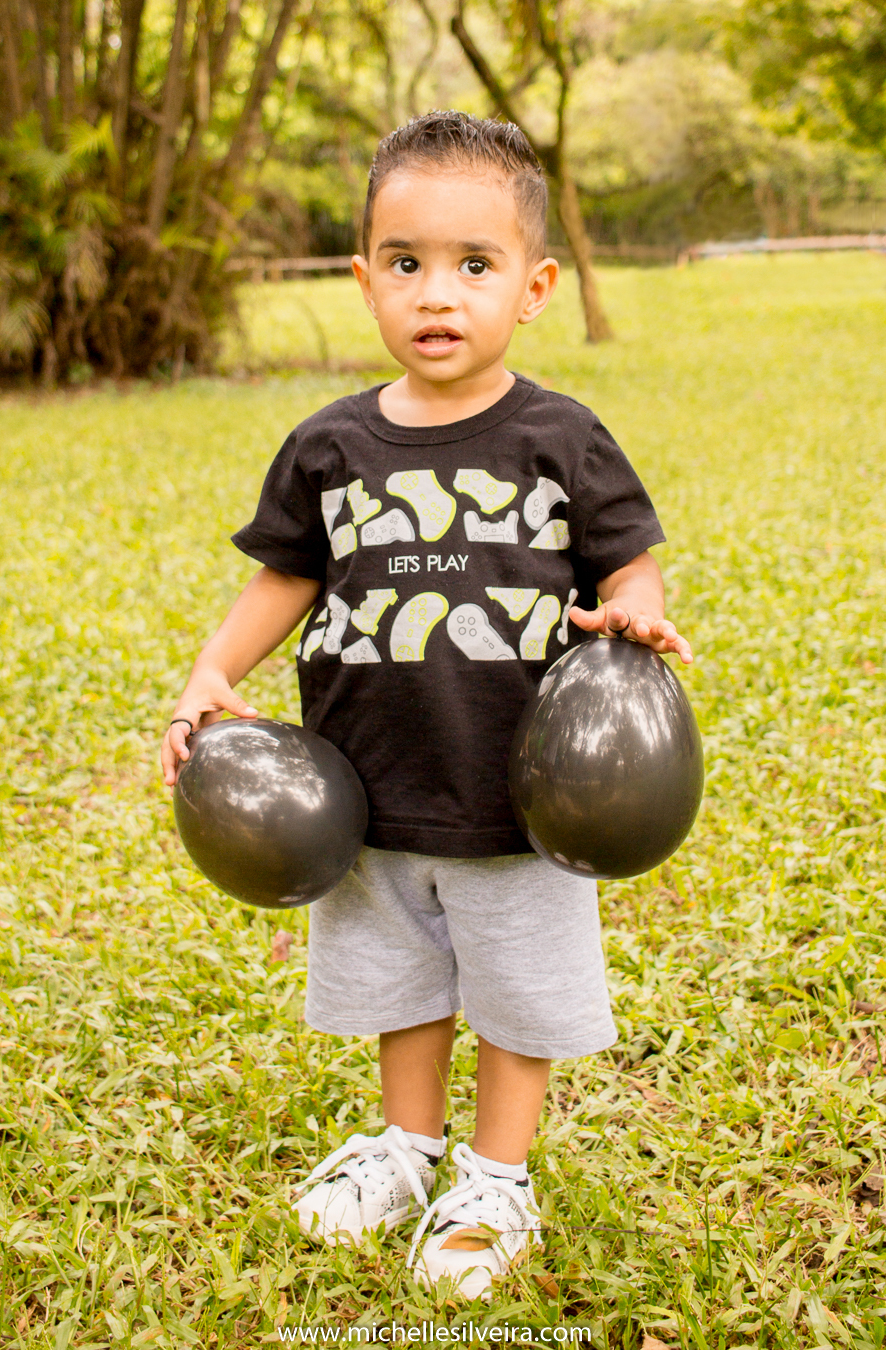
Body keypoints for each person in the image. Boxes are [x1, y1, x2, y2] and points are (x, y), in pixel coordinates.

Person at [161, 110, 692, 1301]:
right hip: (371, 787)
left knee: (516, 994)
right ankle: (407, 1147)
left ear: (536, 285)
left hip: (522, 792)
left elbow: (627, 556)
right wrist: (215, 671)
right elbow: (287, 574)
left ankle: (496, 1178)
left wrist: (635, 615)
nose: (436, 295)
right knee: (401, 986)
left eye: (474, 265)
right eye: (405, 264)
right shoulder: (330, 446)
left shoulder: (561, 436)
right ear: (364, 281)